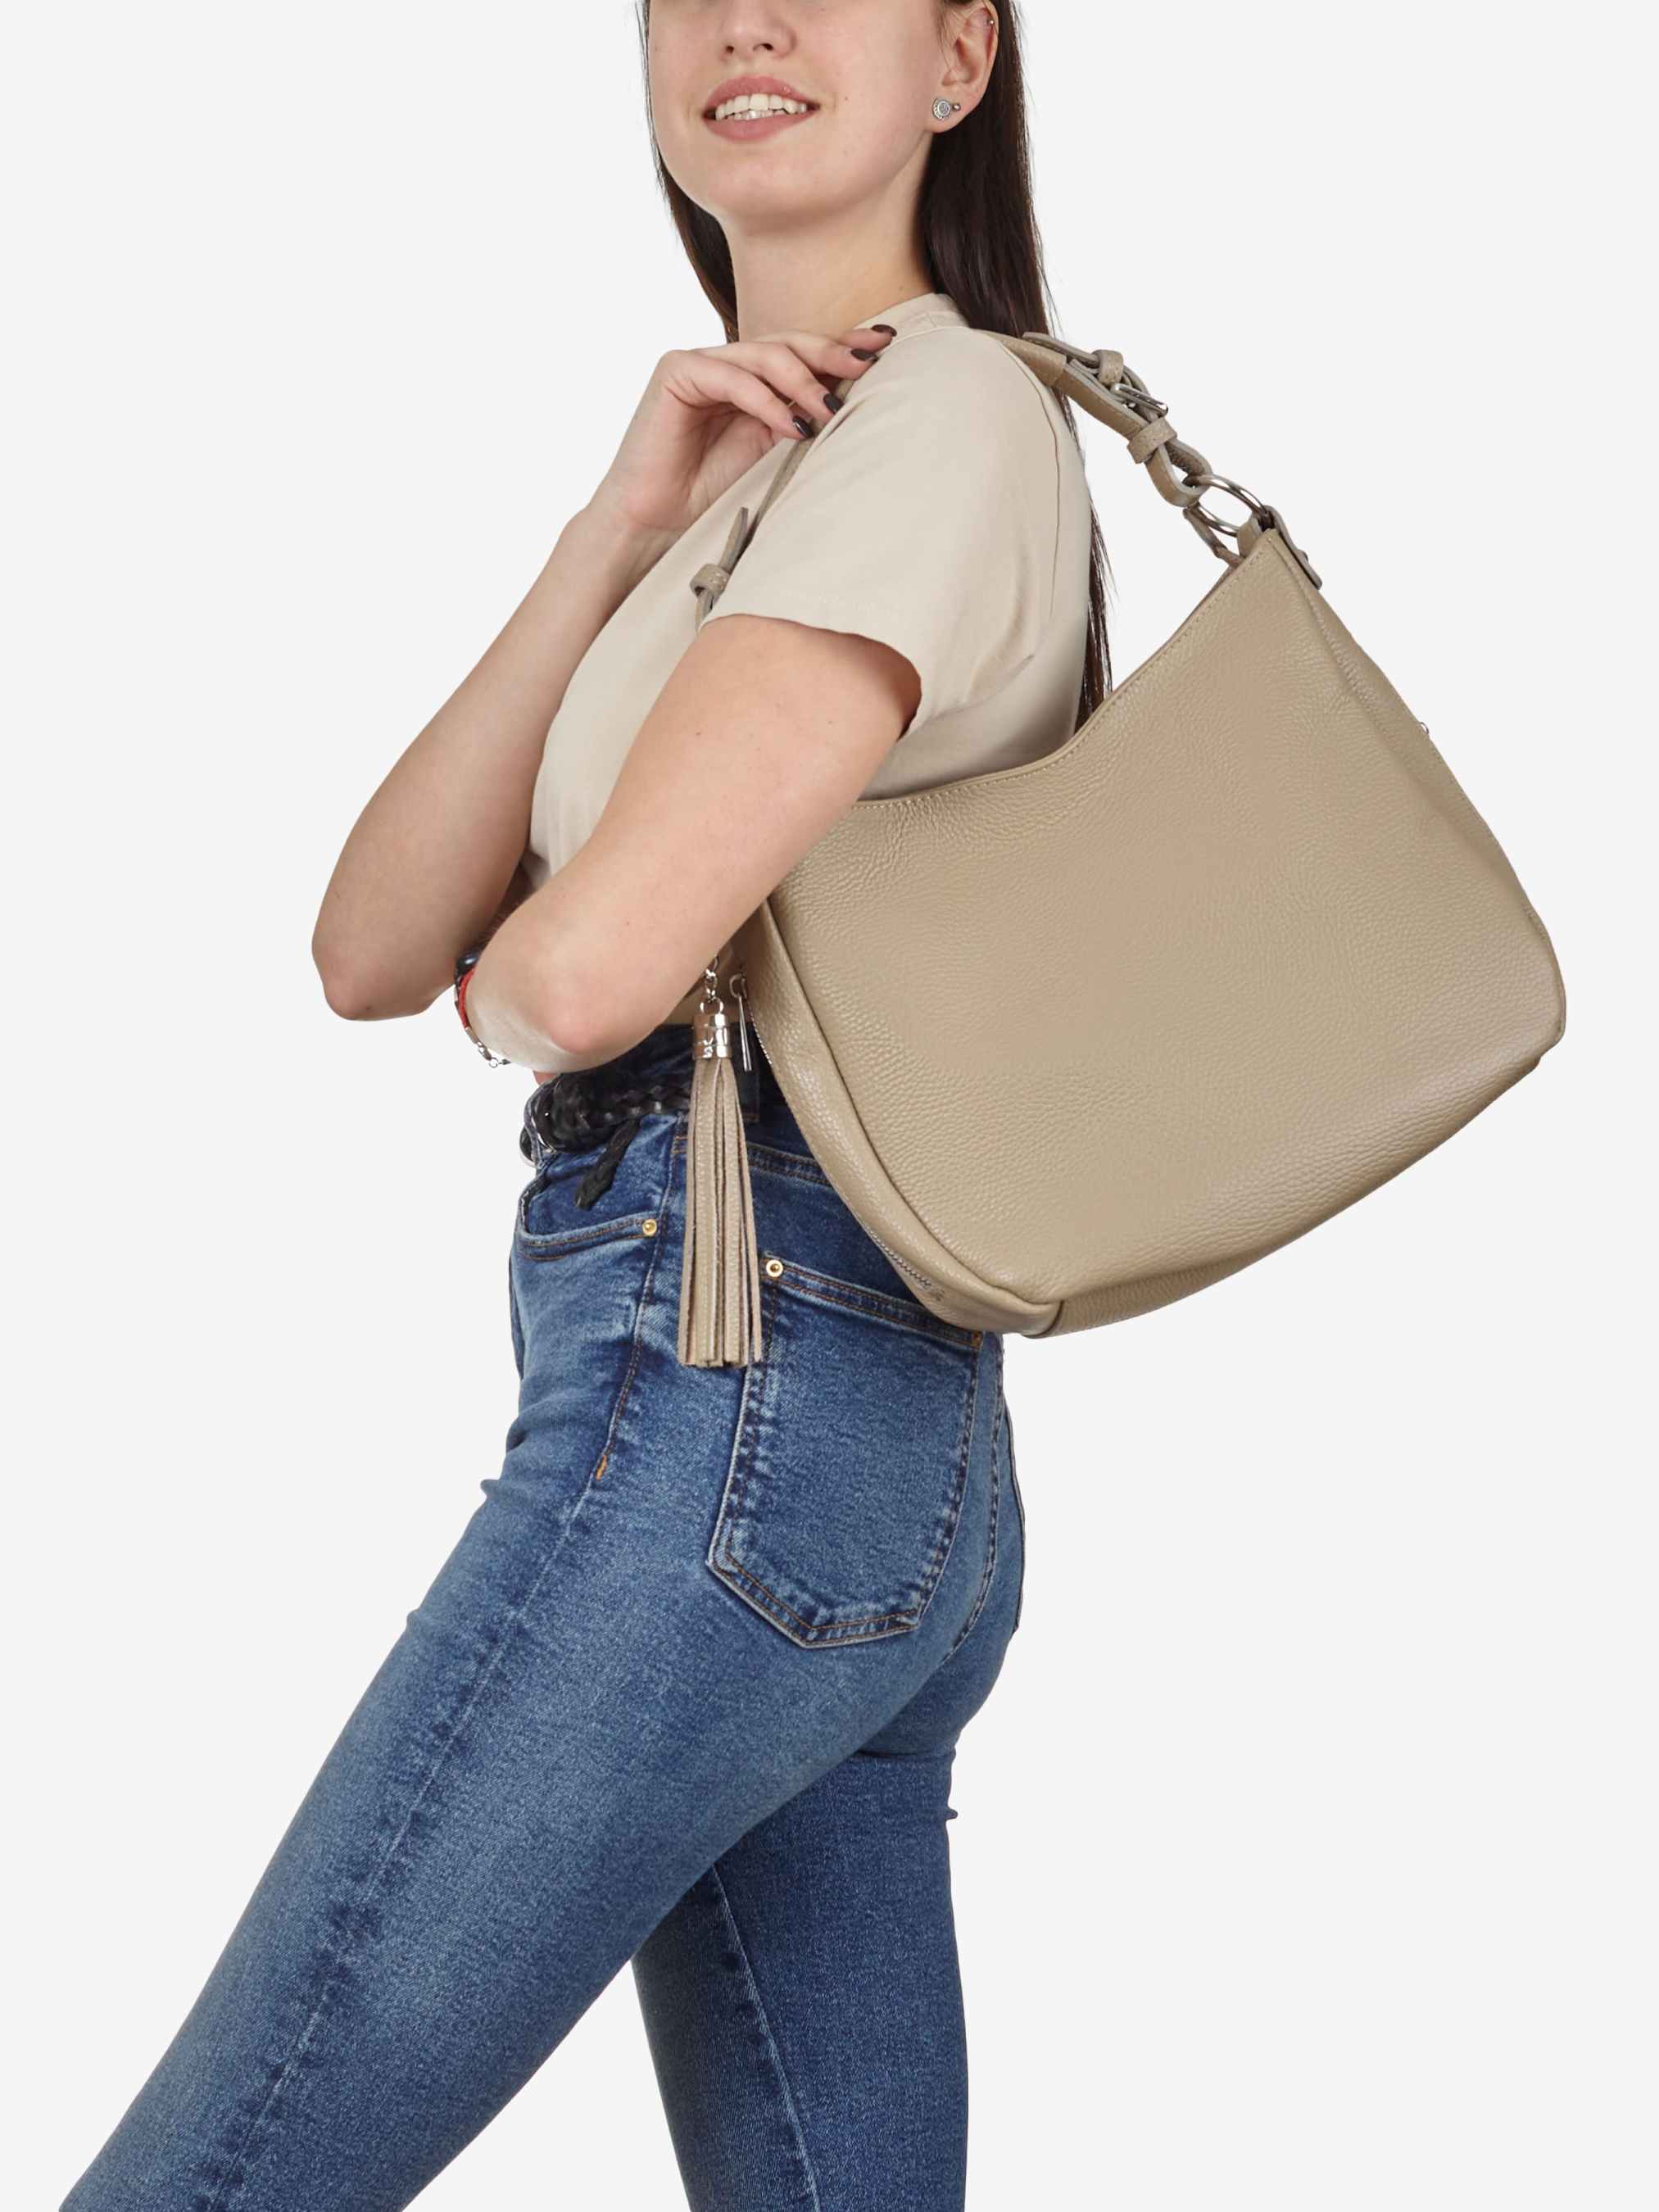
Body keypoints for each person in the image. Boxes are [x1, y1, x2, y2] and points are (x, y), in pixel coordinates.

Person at [64, 5, 1107, 2205]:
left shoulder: (946, 412)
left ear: (958, 59)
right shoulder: (761, 472)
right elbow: (369, 944)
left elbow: (580, 971)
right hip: (846, 1428)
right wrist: (614, 526)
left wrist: (529, 971)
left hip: (734, 1398)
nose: (744, 21)